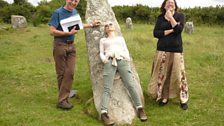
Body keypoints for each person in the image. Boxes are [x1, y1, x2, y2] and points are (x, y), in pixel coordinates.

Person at [48, 0, 100, 110]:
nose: (74, 2)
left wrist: (91, 25)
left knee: (70, 72)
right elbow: (52, 31)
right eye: (72, 0)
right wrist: (67, 33)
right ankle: (62, 100)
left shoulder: (75, 12)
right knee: (61, 73)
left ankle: (66, 94)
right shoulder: (57, 13)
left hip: (71, 46)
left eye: (76, 1)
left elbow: (78, 25)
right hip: (60, 45)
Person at [99, 22, 148, 125]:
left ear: (115, 27)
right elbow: (101, 52)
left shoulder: (120, 39)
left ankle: (140, 108)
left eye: (110, 25)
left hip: (122, 60)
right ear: (105, 30)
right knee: (107, 88)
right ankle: (104, 114)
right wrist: (104, 59)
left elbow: (125, 50)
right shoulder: (103, 40)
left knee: (130, 84)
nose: (109, 26)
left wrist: (126, 58)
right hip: (110, 61)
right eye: (106, 26)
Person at [148, 0, 189, 110]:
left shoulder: (180, 16)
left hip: (176, 49)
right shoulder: (160, 17)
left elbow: (179, 30)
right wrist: (171, 30)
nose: (170, 4)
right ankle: (164, 97)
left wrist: (171, 17)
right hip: (162, 49)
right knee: (163, 74)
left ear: (175, 5)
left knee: (179, 75)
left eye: (172, 2)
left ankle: (183, 98)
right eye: (168, 2)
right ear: (164, 5)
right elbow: (156, 33)